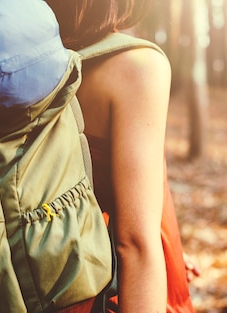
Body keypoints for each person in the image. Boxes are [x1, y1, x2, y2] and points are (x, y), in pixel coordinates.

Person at [46, 1, 199, 312]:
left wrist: (166, 251)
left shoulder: (8, 69)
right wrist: (153, 258)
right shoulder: (137, 66)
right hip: (108, 293)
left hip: (31, 280)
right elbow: (134, 246)